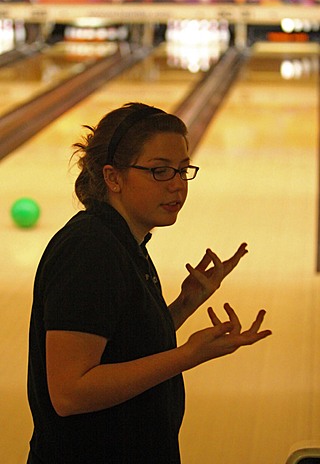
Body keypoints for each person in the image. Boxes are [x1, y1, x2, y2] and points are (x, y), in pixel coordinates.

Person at [27, 102, 271, 464]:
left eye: (183, 170)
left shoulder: (123, 241)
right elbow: (70, 392)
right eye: (160, 171)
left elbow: (122, 345)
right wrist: (186, 356)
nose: (177, 185)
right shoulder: (90, 250)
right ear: (113, 178)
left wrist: (185, 304)